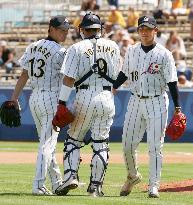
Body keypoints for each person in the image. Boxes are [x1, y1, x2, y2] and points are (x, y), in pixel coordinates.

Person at [112, 15, 181, 198]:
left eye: (148, 28)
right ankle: (133, 176)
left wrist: (178, 108)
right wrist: (113, 87)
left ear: (155, 31)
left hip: (157, 100)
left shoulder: (164, 54)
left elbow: (172, 82)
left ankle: (153, 185)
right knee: (127, 145)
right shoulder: (132, 51)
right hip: (135, 100)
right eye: (141, 28)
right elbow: (124, 74)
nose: (144, 32)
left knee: (154, 146)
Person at [53, 12, 120, 197]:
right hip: (107, 95)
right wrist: (108, 94)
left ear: (83, 29)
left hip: (84, 95)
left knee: (73, 139)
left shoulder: (76, 47)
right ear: (100, 29)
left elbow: (68, 78)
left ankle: (71, 177)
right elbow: (118, 78)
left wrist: (62, 103)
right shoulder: (113, 46)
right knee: (101, 142)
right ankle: (96, 187)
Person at [9, 15, 71, 195]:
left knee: (46, 142)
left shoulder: (33, 46)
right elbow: (69, 77)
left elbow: (24, 75)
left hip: (35, 98)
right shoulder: (61, 51)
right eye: (61, 30)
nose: (65, 33)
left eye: (66, 30)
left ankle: (57, 182)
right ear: (51, 28)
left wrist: (14, 98)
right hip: (51, 98)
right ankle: (38, 184)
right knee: (47, 144)